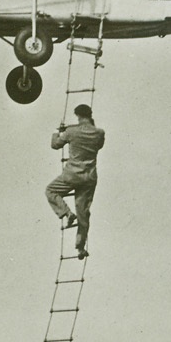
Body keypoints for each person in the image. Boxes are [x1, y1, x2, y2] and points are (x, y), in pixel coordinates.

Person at [45, 103, 105, 259]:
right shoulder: (99, 133)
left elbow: (55, 145)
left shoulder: (71, 132)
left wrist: (57, 132)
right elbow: (99, 145)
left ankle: (66, 213)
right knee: (83, 212)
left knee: (51, 190)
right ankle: (80, 247)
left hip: (72, 175)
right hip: (89, 177)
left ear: (78, 115)